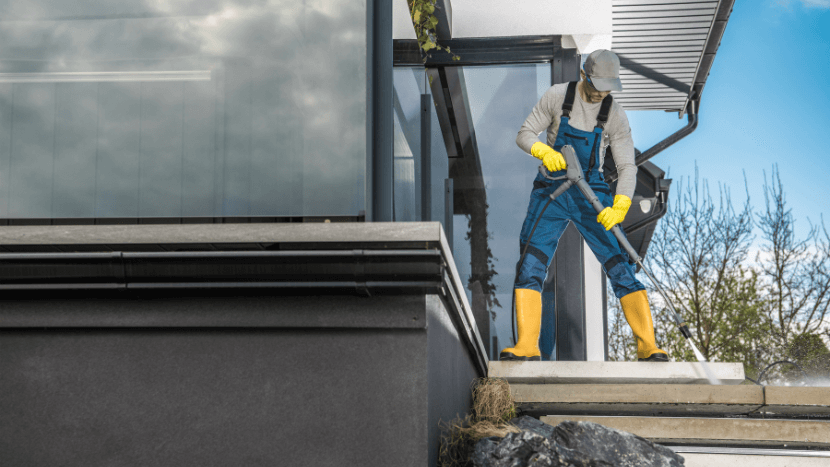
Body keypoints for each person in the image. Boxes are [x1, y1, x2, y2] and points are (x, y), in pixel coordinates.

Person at [500, 49, 668, 362]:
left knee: (620, 263)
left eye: (607, 88)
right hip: (552, 191)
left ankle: (648, 346)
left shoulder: (615, 114)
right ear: (583, 74)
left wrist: (620, 204)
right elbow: (524, 134)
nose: (601, 93)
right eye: (596, 86)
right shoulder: (556, 96)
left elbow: (627, 166)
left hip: (593, 194)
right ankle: (527, 346)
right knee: (531, 263)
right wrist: (542, 151)